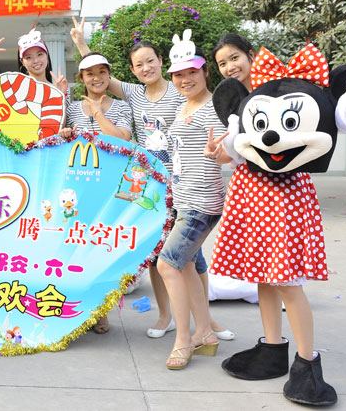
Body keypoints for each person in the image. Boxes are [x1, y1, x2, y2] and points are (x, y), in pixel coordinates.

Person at [71, 22, 234, 342]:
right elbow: (98, 75)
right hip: (152, 185)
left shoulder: (181, 87)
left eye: (150, 61)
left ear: (162, 61)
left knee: (192, 257)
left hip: (185, 184)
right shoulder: (134, 92)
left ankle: (206, 321)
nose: (146, 68)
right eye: (139, 64)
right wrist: (81, 45)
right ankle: (165, 316)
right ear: (133, 70)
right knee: (158, 254)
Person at [154, 30, 227, 369]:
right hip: (184, 199)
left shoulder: (215, 108)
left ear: (205, 72)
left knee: (167, 265)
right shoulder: (184, 105)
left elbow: (228, 149)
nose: (185, 79)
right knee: (184, 266)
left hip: (203, 201)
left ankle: (183, 339)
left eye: (192, 72)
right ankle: (205, 333)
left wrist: (220, 153)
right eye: (178, 74)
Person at [60, 52, 132, 334]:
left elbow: (122, 138)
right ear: (82, 78)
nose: (97, 78)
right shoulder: (72, 108)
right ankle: (75, 310)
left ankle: (100, 311)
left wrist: (98, 112)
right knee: (73, 251)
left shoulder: (121, 107)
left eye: (102, 72)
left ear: (109, 75)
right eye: (90, 73)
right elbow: (59, 136)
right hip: (77, 190)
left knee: (102, 251)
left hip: (111, 188)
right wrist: (66, 133)